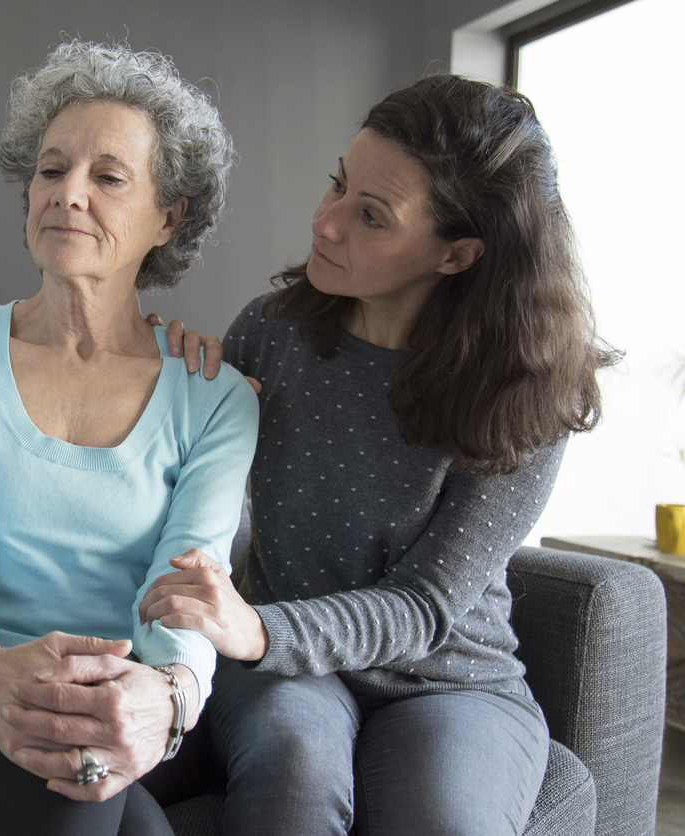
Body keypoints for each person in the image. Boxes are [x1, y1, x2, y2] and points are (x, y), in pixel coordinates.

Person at [136, 74, 619, 835]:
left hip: (450, 682)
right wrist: (165, 384)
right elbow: (170, 475)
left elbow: (427, 606)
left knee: (442, 820)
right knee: (295, 774)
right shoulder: (273, 332)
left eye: (371, 216)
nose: (326, 224)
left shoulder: (527, 392)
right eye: (337, 185)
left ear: (458, 254)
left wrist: (257, 629)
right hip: (283, 669)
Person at [0, 40, 258, 836]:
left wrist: (168, 694)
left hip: (135, 701)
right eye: (51, 170)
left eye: (107, 177)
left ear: (168, 216)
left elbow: (188, 582)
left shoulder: (214, 397)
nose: (67, 194)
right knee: (100, 803)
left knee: (88, 772)